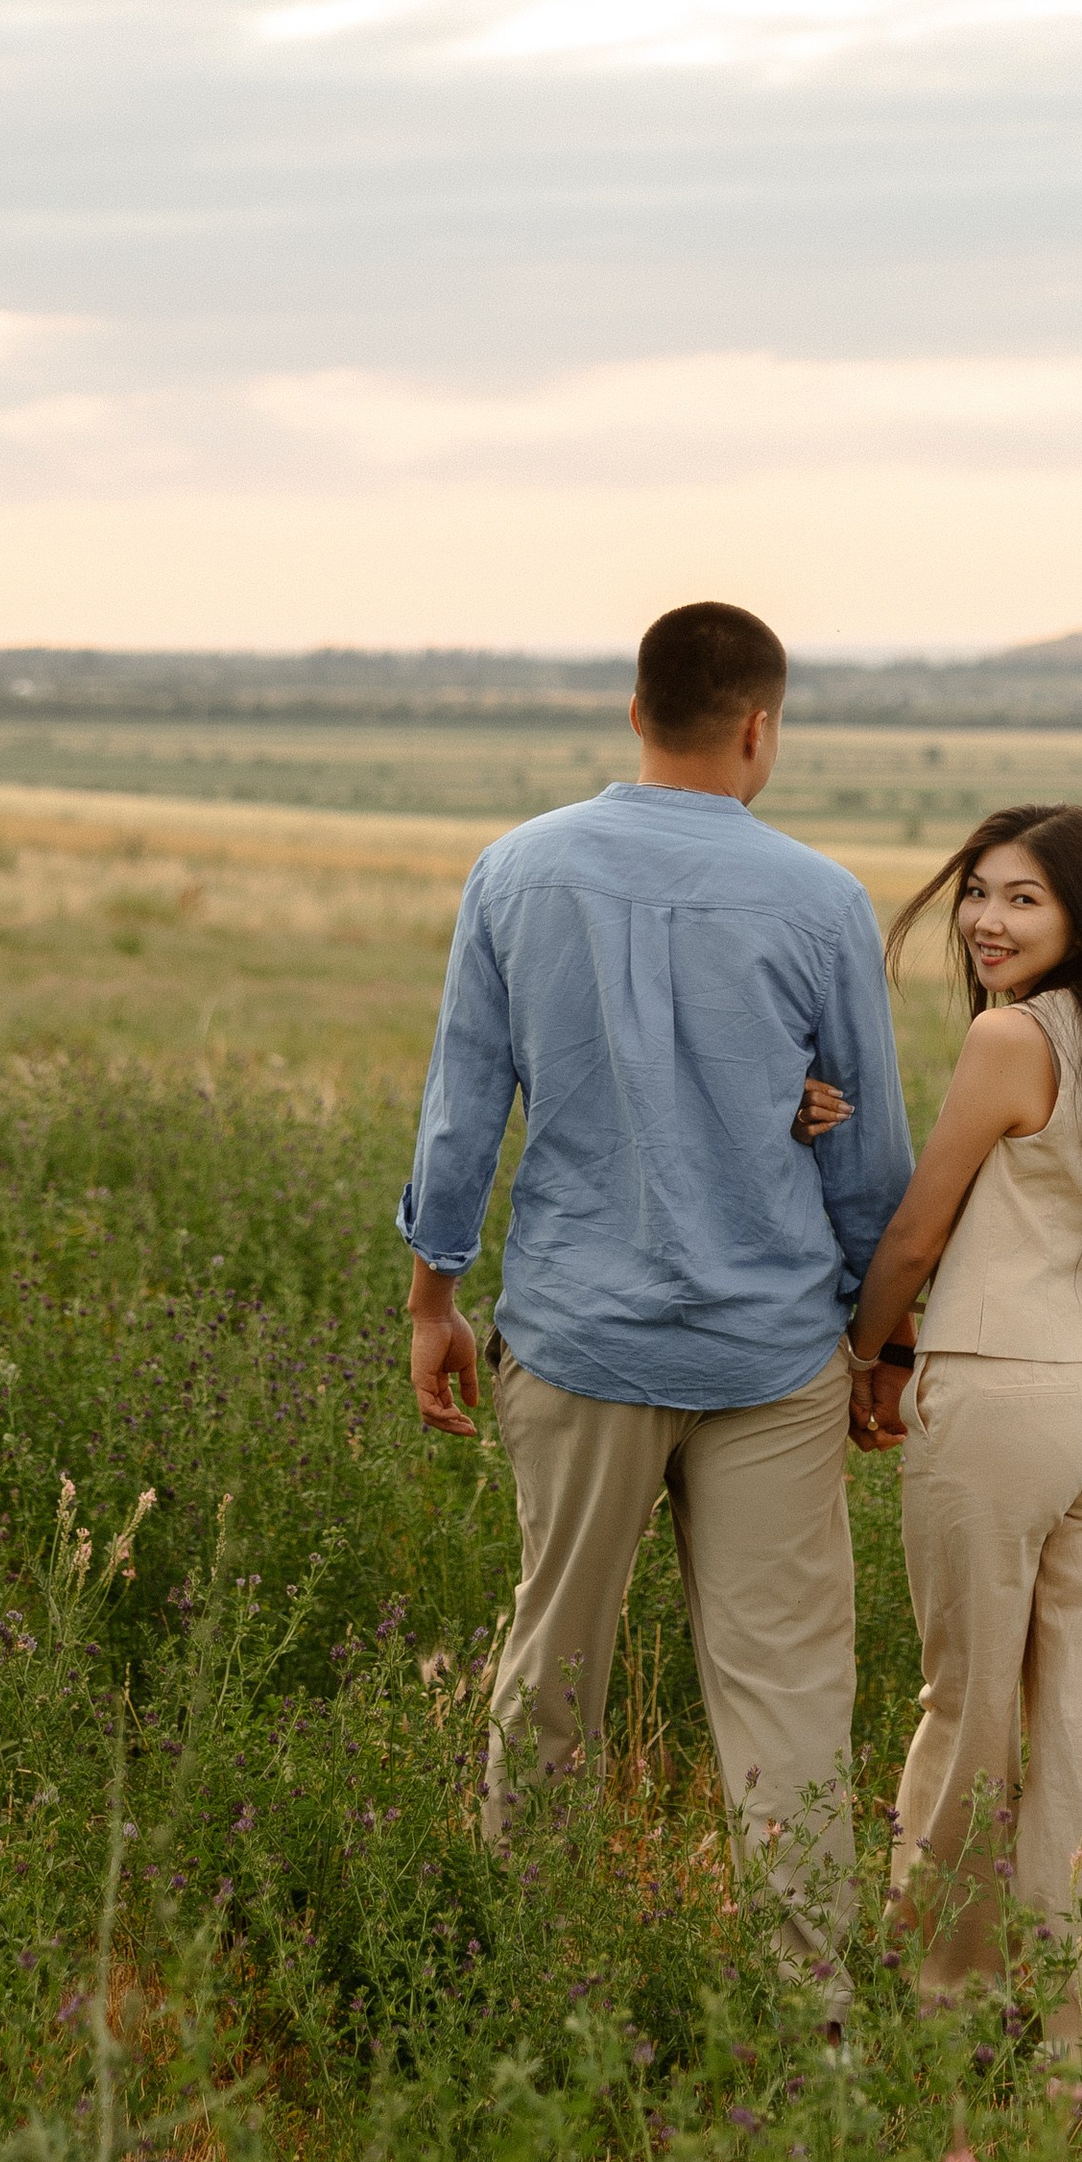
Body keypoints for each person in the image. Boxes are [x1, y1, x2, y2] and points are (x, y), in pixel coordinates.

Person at [397, 600, 913, 1987]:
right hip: (774, 1355)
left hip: (578, 1339)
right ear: (760, 727)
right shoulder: (822, 900)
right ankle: (812, 2021)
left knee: (551, 1672)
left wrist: (433, 1300)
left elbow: (462, 1112)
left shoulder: (515, 872)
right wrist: (883, 1344)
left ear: (635, 711)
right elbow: (869, 1153)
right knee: (787, 1698)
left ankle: (532, 1979)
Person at [844, 803, 1082, 2051]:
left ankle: (944, 2005)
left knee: (970, 1708)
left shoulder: (1008, 1036)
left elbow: (915, 1233)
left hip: (1000, 1394)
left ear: (1079, 917)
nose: (986, 920)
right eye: (978, 891)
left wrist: (871, 1353)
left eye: (1022, 898)